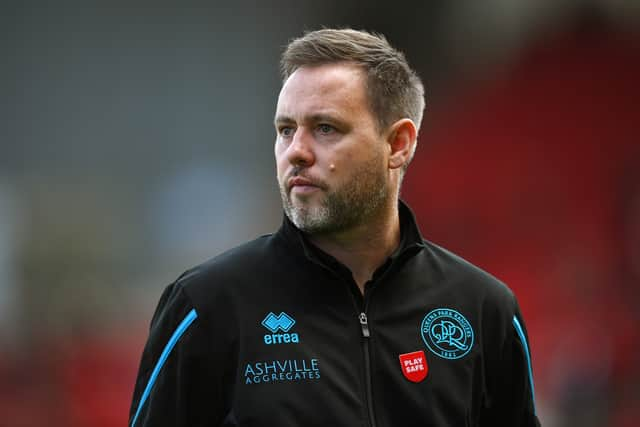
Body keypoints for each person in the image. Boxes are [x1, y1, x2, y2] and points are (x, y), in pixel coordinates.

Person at [129, 28, 541, 427]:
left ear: (398, 144)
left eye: (325, 128)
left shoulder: (485, 311)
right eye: (286, 130)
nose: (296, 153)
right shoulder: (207, 305)